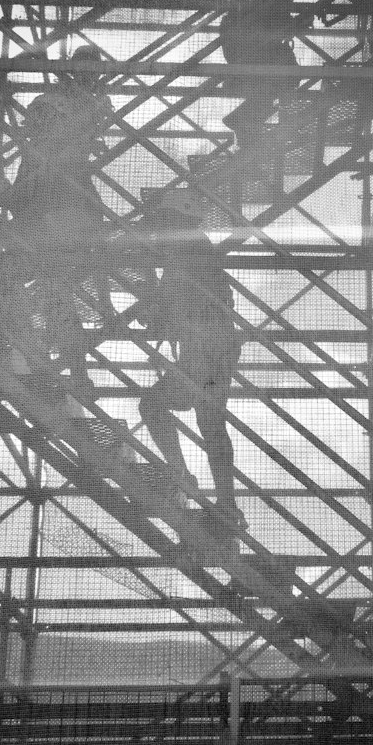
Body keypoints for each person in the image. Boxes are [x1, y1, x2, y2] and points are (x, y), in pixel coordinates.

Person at [0, 46, 116, 399]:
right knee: (53, 292)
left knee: (32, 288)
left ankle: (49, 363)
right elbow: (25, 194)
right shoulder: (59, 135)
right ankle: (65, 369)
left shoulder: (67, 133)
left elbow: (35, 189)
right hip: (62, 220)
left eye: (40, 119)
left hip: (61, 219)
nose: (34, 126)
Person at [137, 188, 244, 543]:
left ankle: (182, 474)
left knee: (155, 404)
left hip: (206, 345)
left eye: (164, 220)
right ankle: (225, 502)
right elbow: (174, 302)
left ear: (177, 220)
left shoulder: (187, 250)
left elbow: (172, 300)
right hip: (214, 345)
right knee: (210, 423)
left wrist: (151, 302)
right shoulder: (193, 249)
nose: (159, 227)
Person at [217, 0, 298, 160]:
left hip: (245, 42)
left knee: (277, 81)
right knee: (286, 77)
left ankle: (245, 129)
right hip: (249, 43)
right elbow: (269, 11)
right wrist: (293, 21)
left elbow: (269, 11)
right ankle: (244, 124)